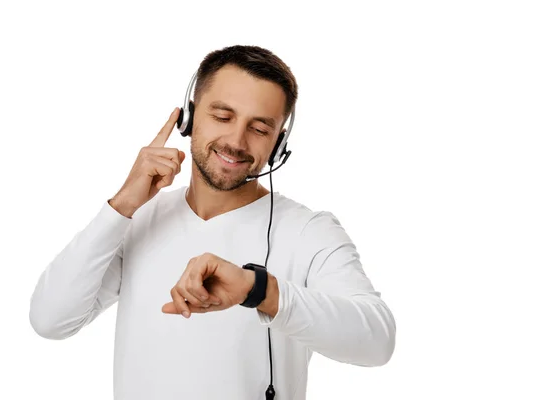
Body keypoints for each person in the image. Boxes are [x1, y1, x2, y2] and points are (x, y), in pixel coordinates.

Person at [29, 44, 396, 400]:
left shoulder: (310, 232)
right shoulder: (137, 220)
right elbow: (50, 320)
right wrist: (123, 204)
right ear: (188, 118)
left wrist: (258, 290)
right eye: (223, 117)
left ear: (278, 144)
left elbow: (377, 341)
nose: (236, 141)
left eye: (260, 129)